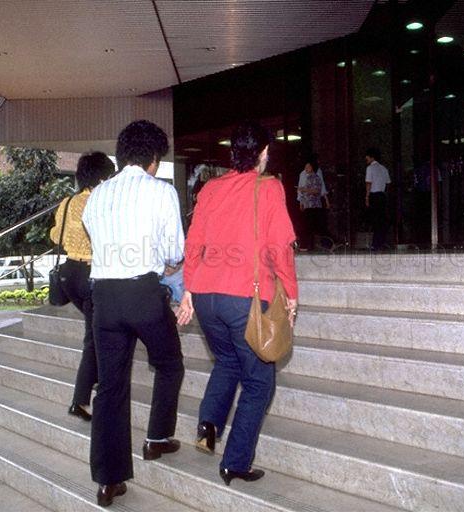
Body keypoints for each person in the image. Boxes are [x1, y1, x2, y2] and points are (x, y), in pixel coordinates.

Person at [176, 120, 298, 486]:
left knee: (227, 361)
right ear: (263, 152)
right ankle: (236, 462)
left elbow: (193, 243)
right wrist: (291, 294)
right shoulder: (269, 187)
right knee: (259, 383)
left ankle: (208, 424)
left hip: (207, 297)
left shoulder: (211, 188)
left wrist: (188, 289)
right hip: (245, 297)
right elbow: (280, 248)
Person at [82, 120, 185, 507]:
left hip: (104, 300)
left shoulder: (97, 194)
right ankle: (157, 438)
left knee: (110, 387)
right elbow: (175, 251)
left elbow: (94, 237)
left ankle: (108, 481)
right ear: (153, 158)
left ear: (122, 154)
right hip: (144, 294)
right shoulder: (161, 191)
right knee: (169, 364)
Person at [49, 151, 115, 422]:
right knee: (93, 339)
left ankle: (94, 379)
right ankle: (80, 399)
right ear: (101, 177)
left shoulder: (67, 203)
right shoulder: (102, 202)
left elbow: (56, 236)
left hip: (69, 275)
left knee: (95, 331)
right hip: (92, 273)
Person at [297, 156, 332, 250]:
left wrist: (304, 190)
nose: (306, 168)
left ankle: (326, 244)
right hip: (308, 204)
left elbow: (318, 190)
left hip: (314, 205)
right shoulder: (305, 176)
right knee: (308, 225)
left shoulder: (316, 177)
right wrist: (301, 202)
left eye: (308, 167)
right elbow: (302, 191)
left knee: (316, 225)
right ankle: (307, 245)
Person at [365, 148, 391, 250]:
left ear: (372, 157)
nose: (366, 158)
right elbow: (388, 183)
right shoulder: (384, 169)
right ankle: (381, 242)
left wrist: (367, 197)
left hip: (374, 195)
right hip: (382, 195)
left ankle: (375, 244)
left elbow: (368, 183)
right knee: (382, 220)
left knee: (375, 219)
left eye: (367, 156)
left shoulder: (370, 168)